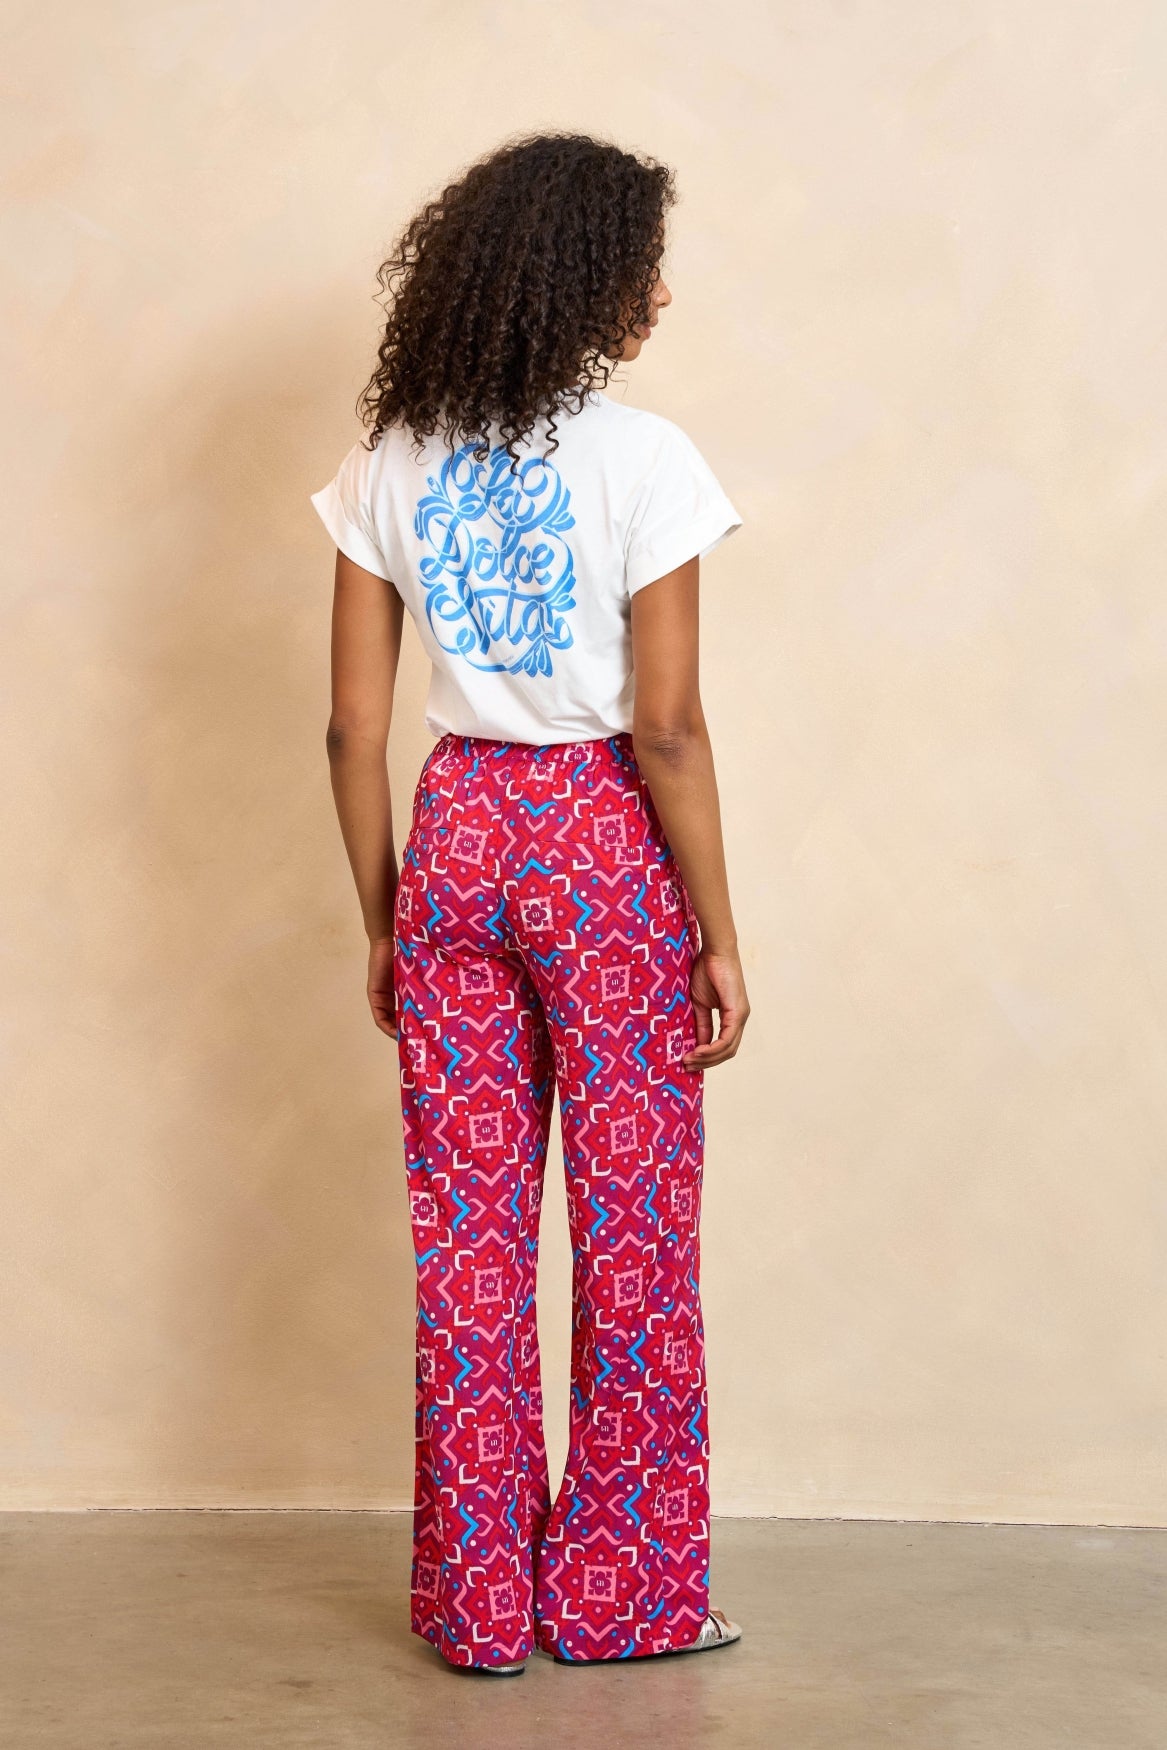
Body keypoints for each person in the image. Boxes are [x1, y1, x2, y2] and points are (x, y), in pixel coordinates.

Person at [310, 129, 750, 1676]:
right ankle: (622, 1600)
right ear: (583, 281)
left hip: (457, 832)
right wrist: (718, 930)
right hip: (601, 843)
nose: (661, 294)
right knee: (633, 1233)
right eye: (644, 266)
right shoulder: (647, 461)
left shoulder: (391, 459)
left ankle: (481, 1607)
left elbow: (352, 729)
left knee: (470, 1244)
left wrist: (387, 916)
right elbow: (668, 729)